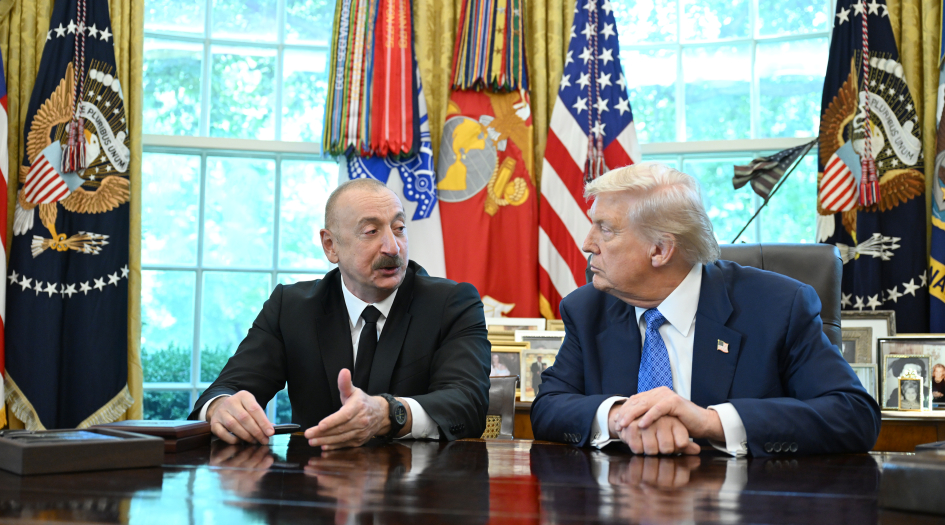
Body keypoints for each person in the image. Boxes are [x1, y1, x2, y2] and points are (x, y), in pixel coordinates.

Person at [530, 163, 881, 457]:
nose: (587, 243)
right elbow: (548, 407)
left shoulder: (778, 307)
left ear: (660, 250)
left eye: (604, 229)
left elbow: (853, 415)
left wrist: (710, 422)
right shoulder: (587, 308)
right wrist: (621, 416)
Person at [190, 178, 491, 448]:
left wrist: (389, 413)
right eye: (371, 231)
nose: (392, 247)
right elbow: (224, 390)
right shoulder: (291, 307)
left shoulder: (452, 303)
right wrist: (222, 407)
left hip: (416, 491)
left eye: (399, 229)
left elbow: (468, 404)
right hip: (314, 490)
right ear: (331, 246)